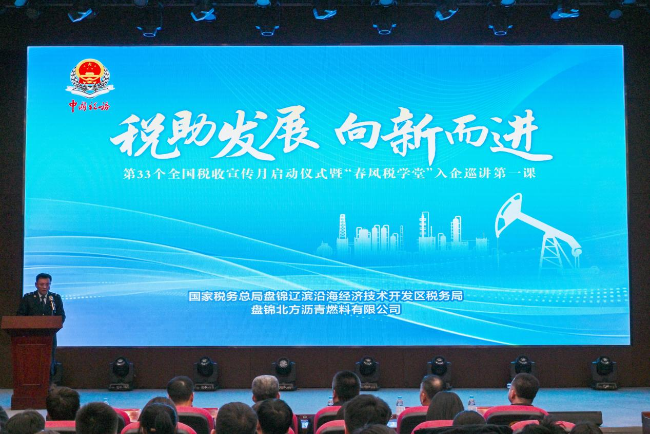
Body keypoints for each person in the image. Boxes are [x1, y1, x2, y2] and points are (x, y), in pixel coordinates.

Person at [17, 273, 66, 376]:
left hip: (49, 336)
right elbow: (20, 316)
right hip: (32, 336)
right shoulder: (28, 298)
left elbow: (61, 316)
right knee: (32, 362)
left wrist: (55, 325)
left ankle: (48, 383)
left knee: (49, 362)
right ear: (36, 285)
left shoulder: (55, 298)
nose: (44, 287)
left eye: (47, 284)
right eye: (42, 284)